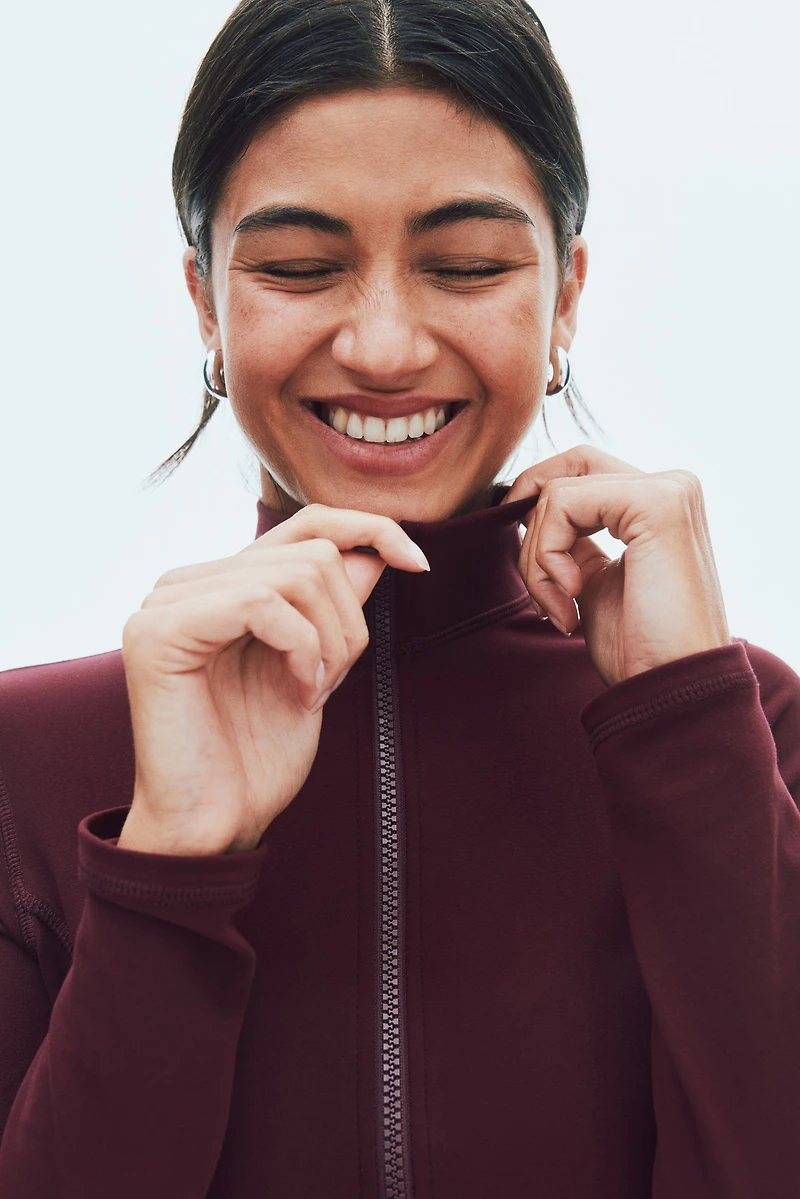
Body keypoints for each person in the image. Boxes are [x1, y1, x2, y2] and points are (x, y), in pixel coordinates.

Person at [1, 0, 798, 1195]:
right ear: (205, 301)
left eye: (466, 264)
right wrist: (168, 868)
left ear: (565, 294)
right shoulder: (26, 759)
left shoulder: (747, 730)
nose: (382, 345)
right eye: (298, 267)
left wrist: (687, 729)